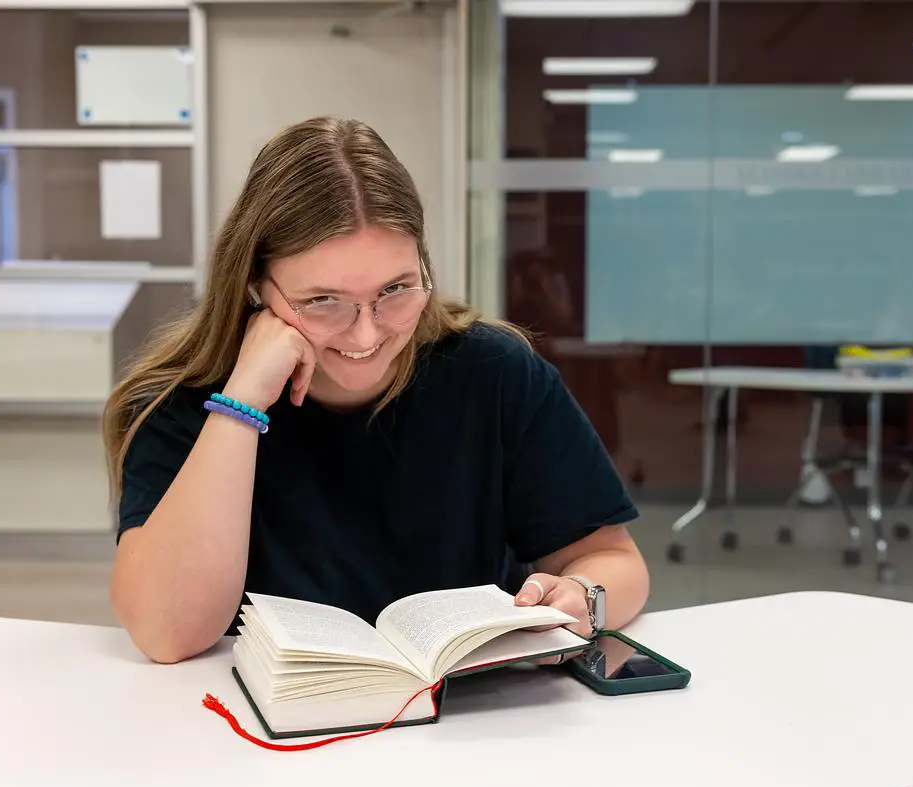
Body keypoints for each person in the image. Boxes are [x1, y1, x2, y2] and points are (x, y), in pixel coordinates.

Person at [101, 116, 650, 665]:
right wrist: (240, 403)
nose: (366, 334)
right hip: (265, 730)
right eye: (322, 301)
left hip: (468, 721)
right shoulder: (176, 400)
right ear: (255, 286)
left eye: (395, 290)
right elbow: (166, 632)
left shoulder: (494, 371)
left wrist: (583, 598)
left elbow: (612, 559)